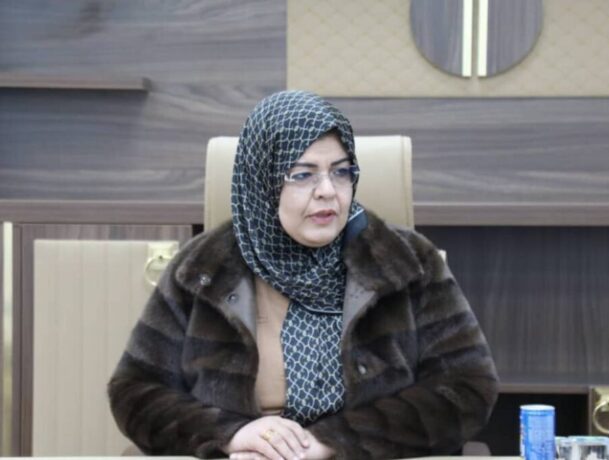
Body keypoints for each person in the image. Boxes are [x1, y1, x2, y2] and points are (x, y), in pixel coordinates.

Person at [108, 90, 499, 459]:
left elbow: (467, 389)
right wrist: (231, 434)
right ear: (261, 180)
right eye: (302, 174)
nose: (327, 190)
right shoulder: (203, 268)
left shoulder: (406, 261)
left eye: (341, 172)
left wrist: (331, 441)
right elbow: (134, 392)